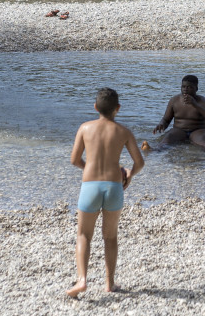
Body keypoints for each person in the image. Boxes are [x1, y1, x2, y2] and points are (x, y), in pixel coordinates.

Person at [67, 87, 144, 299]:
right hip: (113, 186)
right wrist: (129, 173)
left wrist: (89, 168)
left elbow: (74, 160)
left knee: (84, 235)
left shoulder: (85, 128)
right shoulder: (124, 132)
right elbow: (140, 162)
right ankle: (109, 283)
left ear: (95, 107)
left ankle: (82, 280)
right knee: (110, 237)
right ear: (117, 109)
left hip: (90, 185)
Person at [141, 75, 205, 156]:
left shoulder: (202, 102)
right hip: (179, 130)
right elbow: (166, 119)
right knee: (168, 138)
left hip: (198, 130)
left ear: (196, 88)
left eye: (189, 87)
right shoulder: (174, 100)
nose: (185, 89)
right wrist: (161, 124)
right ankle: (153, 150)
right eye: (183, 86)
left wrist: (195, 104)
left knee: (202, 141)